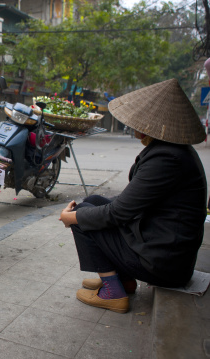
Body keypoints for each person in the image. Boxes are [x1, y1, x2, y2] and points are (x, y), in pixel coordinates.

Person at [59, 78, 207, 314]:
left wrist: (72, 218)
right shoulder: (170, 151)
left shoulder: (167, 159)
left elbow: (119, 213)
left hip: (163, 262)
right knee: (94, 202)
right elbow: (130, 202)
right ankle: (124, 281)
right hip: (158, 243)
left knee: (82, 217)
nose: (131, 124)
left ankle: (112, 292)